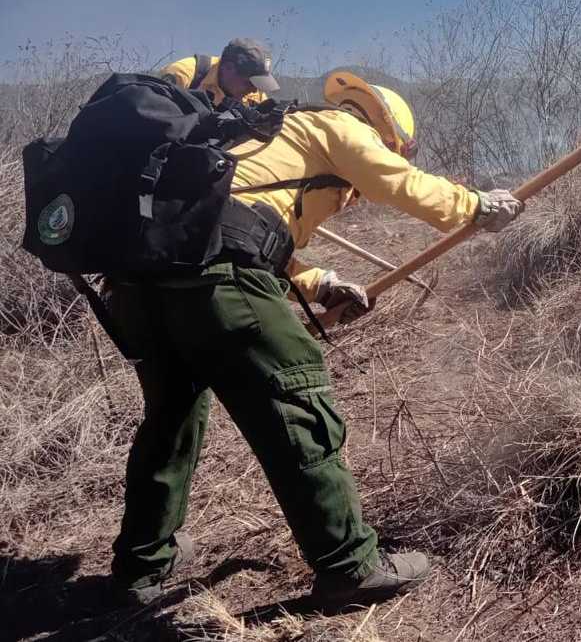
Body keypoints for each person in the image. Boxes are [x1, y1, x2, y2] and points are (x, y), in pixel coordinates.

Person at [106, 70, 523, 609]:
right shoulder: (334, 126)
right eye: (393, 143)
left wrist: (321, 283)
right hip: (214, 283)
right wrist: (473, 206)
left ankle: (139, 567)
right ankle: (349, 566)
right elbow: (395, 180)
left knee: (171, 419)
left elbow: (244, 231)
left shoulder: (263, 141)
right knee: (297, 406)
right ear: (381, 127)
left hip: (140, 289)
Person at [159, 38, 280, 106]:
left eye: (258, 84)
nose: (254, 90)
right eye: (250, 83)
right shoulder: (183, 74)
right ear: (228, 68)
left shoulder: (255, 95)